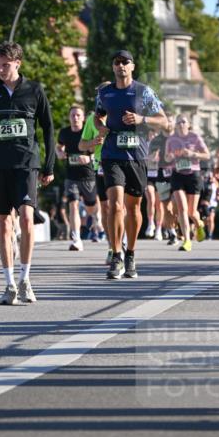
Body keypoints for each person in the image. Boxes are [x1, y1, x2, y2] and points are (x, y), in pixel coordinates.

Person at [0, 41, 55, 305]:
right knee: (4, 224)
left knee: (27, 218)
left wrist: (49, 165)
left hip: (26, 163)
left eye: (6, 65)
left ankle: (25, 279)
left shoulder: (34, 90)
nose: (1, 70)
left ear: (18, 63)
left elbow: (48, 128)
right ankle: (8, 284)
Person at [94, 49, 168, 279]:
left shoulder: (143, 92)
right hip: (112, 153)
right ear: (113, 67)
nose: (121, 66)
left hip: (136, 155)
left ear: (132, 66)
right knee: (115, 204)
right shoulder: (104, 93)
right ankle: (116, 255)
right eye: (116, 63)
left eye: (125, 62)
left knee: (134, 207)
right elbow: (98, 115)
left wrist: (142, 119)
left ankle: (131, 254)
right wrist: (100, 126)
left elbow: (164, 121)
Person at [165, 115, 211, 252]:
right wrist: (171, 156)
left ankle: (199, 224)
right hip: (177, 174)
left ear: (188, 124)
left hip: (193, 175)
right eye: (178, 122)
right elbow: (166, 158)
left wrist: (192, 154)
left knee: (192, 211)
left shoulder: (195, 137)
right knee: (182, 209)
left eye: (183, 122)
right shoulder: (171, 139)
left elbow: (207, 155)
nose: (180, 124)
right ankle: (187, 240)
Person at [56, 105, 97, 252]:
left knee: (91, 207)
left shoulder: (88, 131)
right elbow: (59, 146)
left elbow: (98, 149)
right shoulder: (64, 132)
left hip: (88, 175)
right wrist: (59, 153)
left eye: (78, 115)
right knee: (73, 205)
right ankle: (76, 239)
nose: (75, 118)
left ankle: (94, 220)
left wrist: (89, 158)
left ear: (83, 118)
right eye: (73, 115)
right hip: (71, 175)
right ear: (69, 117)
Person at [79, 110, 111, 257]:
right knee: (105, 207)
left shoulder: (119, 113)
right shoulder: (92, 119)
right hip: (100, 166)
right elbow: (81, 145)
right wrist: (93, 142)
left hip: (121, 164)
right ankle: (113, 247)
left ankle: (122, 241)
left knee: (119, 206)